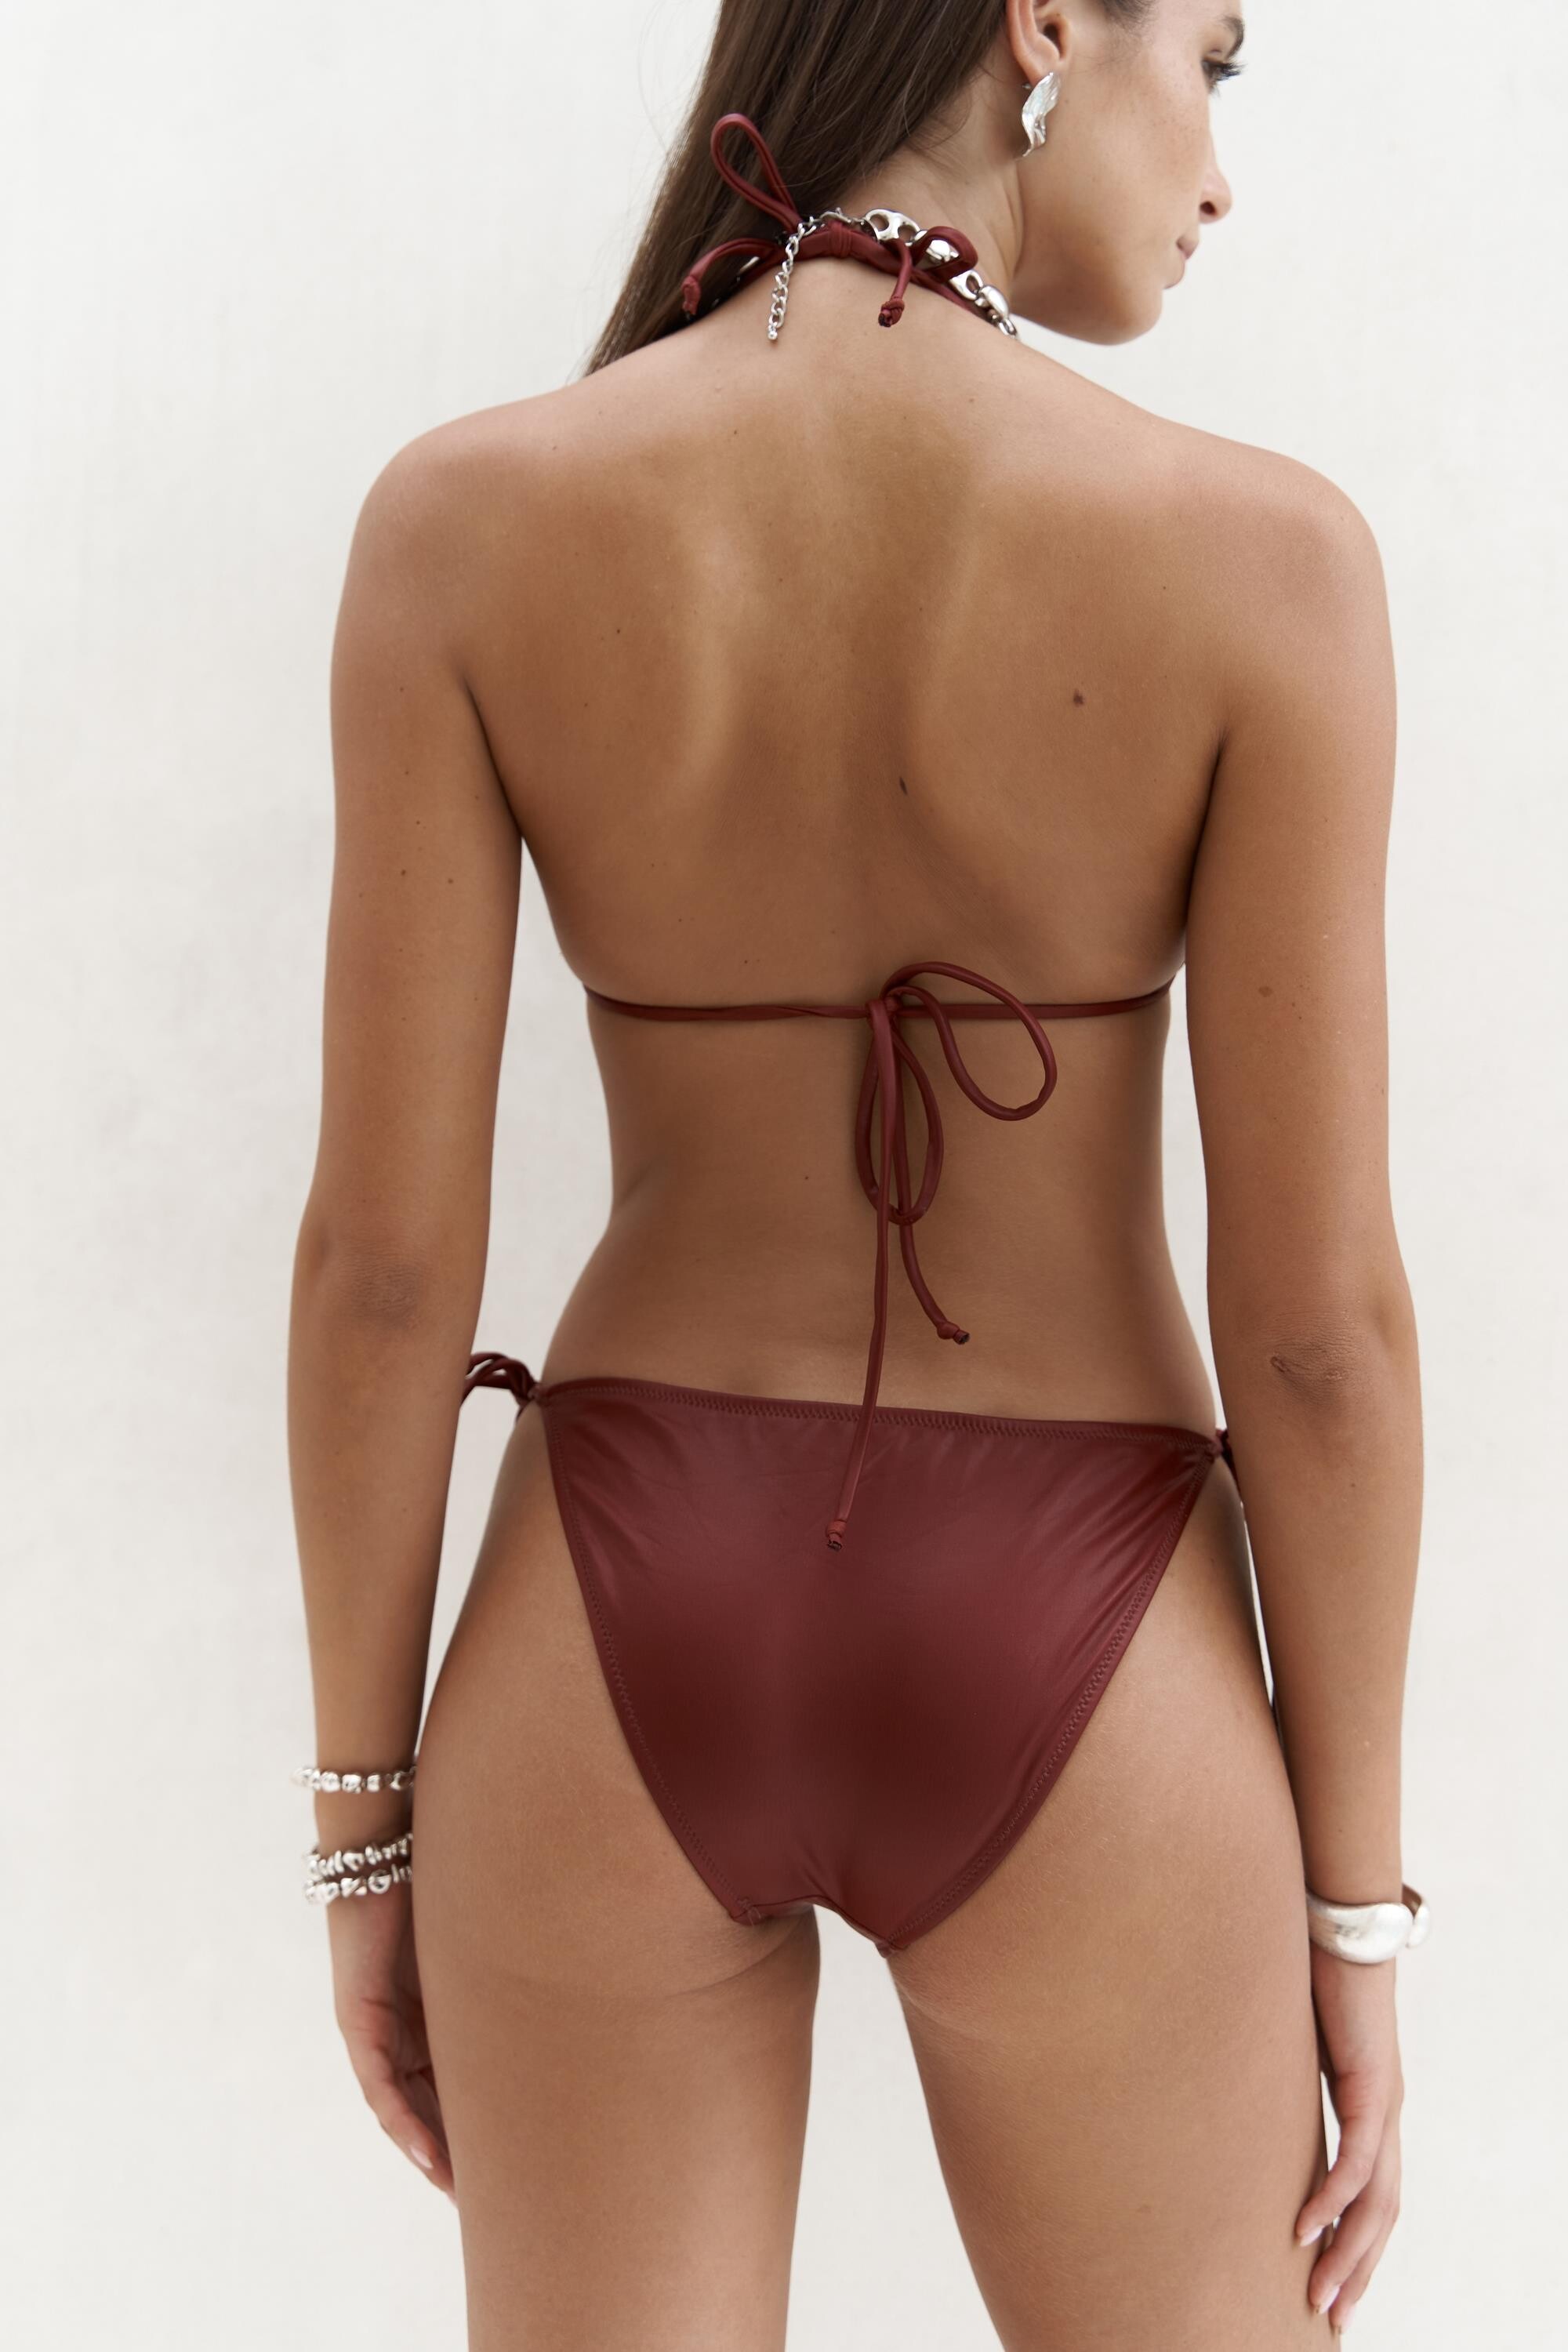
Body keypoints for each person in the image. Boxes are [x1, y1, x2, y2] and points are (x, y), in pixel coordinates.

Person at [287, 2, 1425, 2343]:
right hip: (1083, 1619)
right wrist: (1355, 1913)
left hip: (617, 1610)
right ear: (1044, 24)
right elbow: (1319, 1342)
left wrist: (366, 1833)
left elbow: (382, 1276)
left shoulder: (464, 524)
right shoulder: (1267, 565)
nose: (1220, 168)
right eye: (1216, 59)